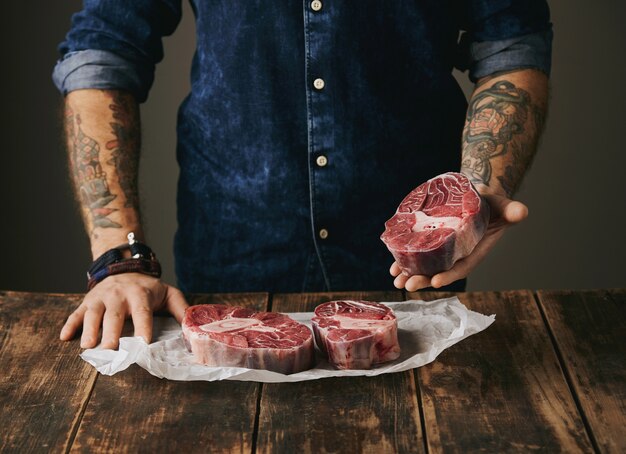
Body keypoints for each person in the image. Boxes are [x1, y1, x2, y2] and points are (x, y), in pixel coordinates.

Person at [53, 1, 552, 349]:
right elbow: (105, 50)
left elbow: (512, 44)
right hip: (230, 263)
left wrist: (480, 190)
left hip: (413, 265)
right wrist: (119, 254)